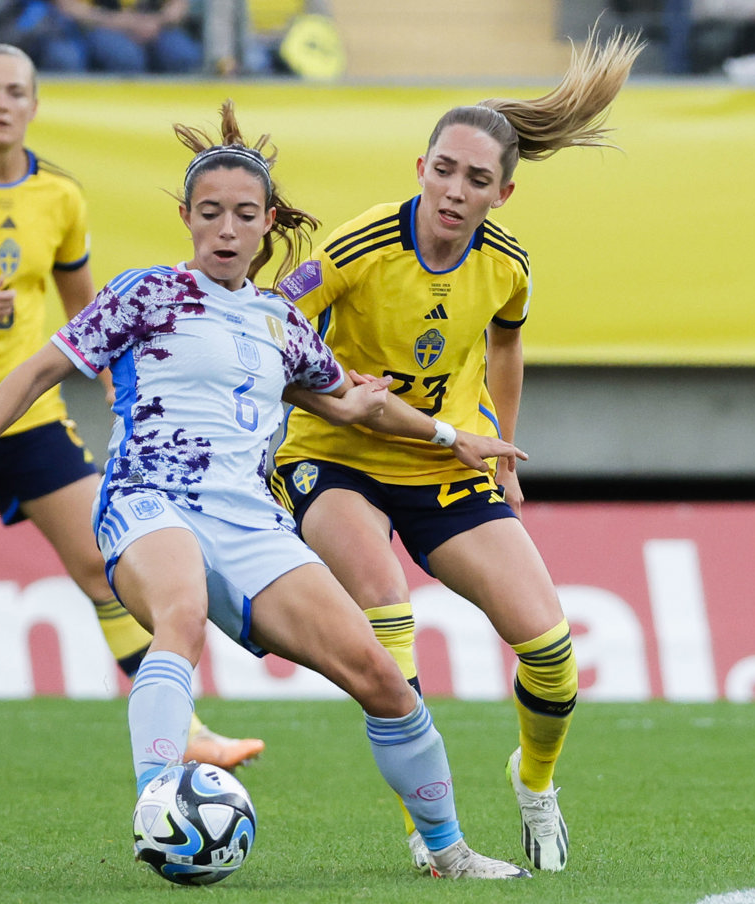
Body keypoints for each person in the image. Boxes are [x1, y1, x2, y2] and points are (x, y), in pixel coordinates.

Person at [0, 100, 533, 880]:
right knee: (180, 615)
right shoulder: (147, 293)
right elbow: (38, 369)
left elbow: (352, 402)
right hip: (151, 499)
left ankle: (448, 851)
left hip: (251, 522)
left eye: (244, 214)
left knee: (382, 678)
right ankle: (159, 804)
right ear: (186, 217)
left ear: (268, 223)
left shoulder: (281, 325)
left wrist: (454, 437)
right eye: (209, 212)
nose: (224, 228)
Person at [269, 28, 644, 875]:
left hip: (442, 462)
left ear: (502, 193)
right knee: (387, 616)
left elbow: (507, 346)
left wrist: (500, 452)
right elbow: (268, 325)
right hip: (332, 457)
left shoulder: (508, 266)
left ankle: (536, 787)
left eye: (476, 179)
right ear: (420, 169)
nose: (455, 189)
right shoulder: (360, 246)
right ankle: (432, 838)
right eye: (444, 169)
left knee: (551, 654)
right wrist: (329, 389)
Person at [0, 43, 259, 788]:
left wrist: (108, 372)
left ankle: (184, 731)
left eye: (17, 92)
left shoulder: (60, 194)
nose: (2, 103)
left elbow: (81, 302)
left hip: (33, 420)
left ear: (35, 105)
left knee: (103, 565)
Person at [48, 0, 202, 73]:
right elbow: (69, 7)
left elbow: (178, 7)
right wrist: (124, 22)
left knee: (182, 55)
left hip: (155, 24)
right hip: (98, 25)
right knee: (124, 58)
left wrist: (157, 21)